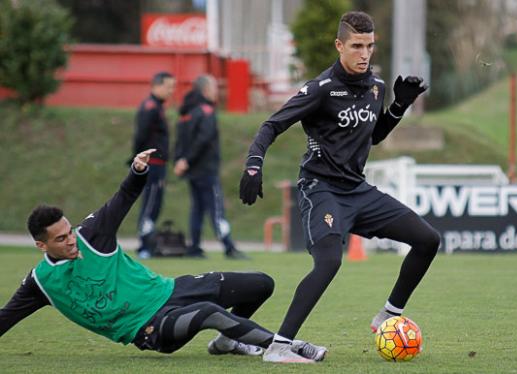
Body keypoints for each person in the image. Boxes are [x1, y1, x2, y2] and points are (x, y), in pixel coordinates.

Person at [239, 11, 440, 363]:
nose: (365, 54)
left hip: (358, 191)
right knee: (329, 263)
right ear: (339, 46)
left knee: (428, 240)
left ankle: (389, 315)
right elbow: (271, 126)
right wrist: (254, 164)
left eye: (370, 46)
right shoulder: (320, 89)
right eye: (357, 46)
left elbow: (373, 136)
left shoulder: (376, 87)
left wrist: (398, 106)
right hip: (320, 189)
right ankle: (280, 347)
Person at [0, 149, 325, 361]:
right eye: (61, 238)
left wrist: (138, 171)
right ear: (42, 246)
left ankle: (229, 341)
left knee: (261, 283)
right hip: (150, 326)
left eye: (69, 230)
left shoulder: (92, 235)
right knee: (209, 312)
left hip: (174, 290)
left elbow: (124, 196)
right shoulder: (40, 283)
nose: (71, 240)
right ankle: (282, 348)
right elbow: (6, 318)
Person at [173, 76, 249, 260]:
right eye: (214, 87)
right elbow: (203, 139)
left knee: (197, 209)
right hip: (206, 169)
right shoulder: (206, 112)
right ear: (205, 90)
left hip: (193, 171)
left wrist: (181, 160)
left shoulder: (188, 112)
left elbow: (180, 140)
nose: (217, 91)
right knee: (216, 209)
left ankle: (195, 248)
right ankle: (229, 246)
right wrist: (188, 160)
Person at [132, 71, 176, 259]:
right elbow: (140, 136)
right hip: (153, 164)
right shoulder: (150, 107)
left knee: (155, 204)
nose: (171, 91)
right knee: (149, 204)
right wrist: (138, 159)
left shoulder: (158, 107)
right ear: (156, 86)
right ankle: (144, 245)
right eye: (168, 87)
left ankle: (147, 243)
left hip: (160, 164)